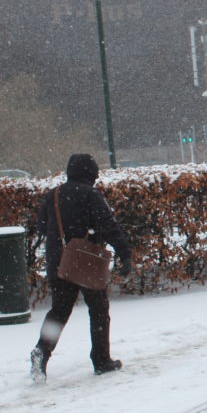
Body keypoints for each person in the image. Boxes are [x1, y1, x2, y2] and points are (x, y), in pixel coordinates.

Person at [30, 154, 132, 383]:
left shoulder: (53, 195)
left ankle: (42, 351)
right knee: (98, 310)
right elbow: (109, 226)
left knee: (59, 312)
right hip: (86, 261)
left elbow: (42, 227)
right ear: (90, 173)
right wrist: (124, 254)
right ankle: (101, 359)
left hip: (59, 263)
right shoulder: (90, 195)